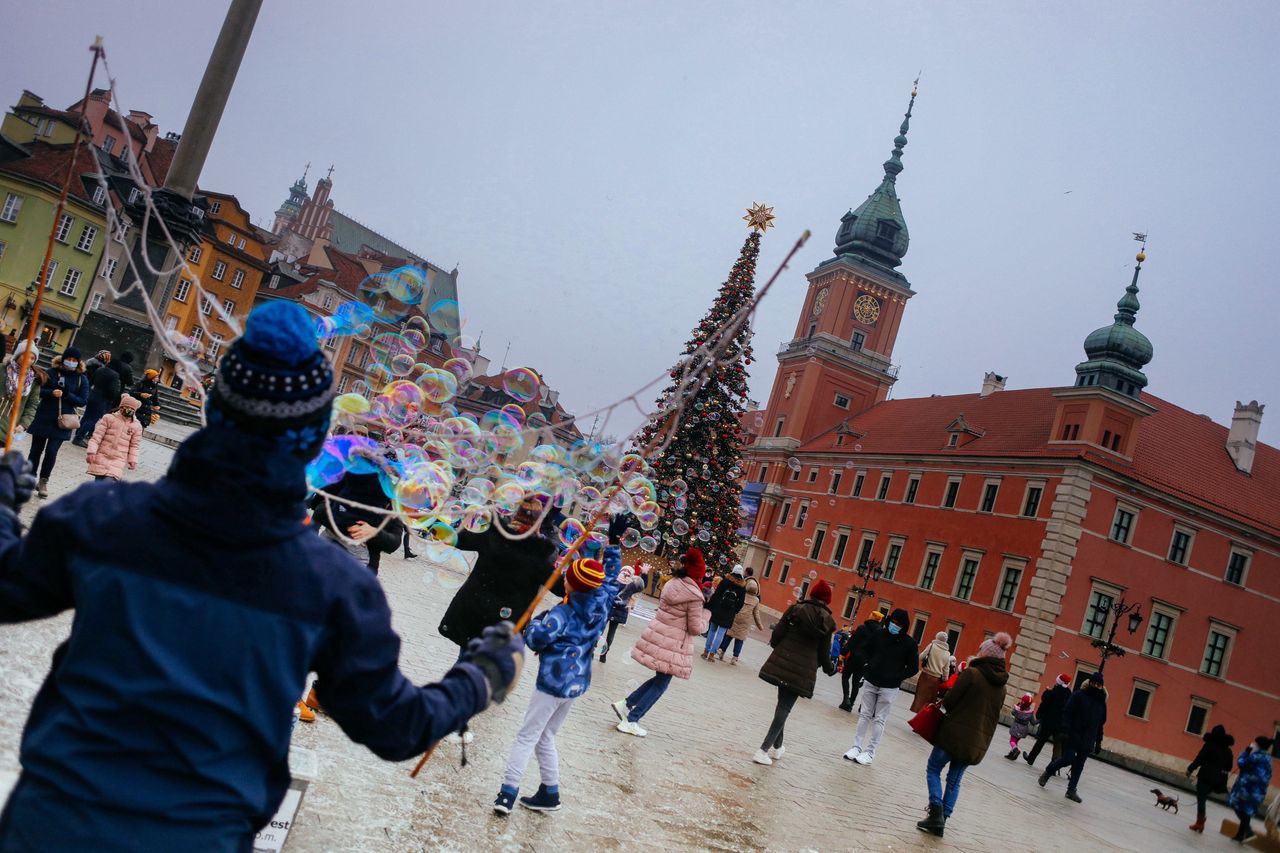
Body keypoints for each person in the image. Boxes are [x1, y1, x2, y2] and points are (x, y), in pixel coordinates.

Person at [0, 301, 524, 851]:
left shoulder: (101, 518)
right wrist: (479, 678)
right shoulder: (333, 587)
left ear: (216, 410)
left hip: (49, 825)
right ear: (313, 438)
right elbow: (396, 726)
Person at [494, 552, 621, 815]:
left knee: (527, 736)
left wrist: (535, 622)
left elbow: (537, 639)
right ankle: (550, 793)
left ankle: (507, 794)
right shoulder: (602, 604)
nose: (564, 580)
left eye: (568, 577)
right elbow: (609, 580)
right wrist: (612, 548)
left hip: (552, 683)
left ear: (573, 584)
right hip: (576, 684)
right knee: (546, 735)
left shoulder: (563, 613)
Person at [439, 495, 562, 655]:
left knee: (465, 664)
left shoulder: (493, 537)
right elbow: (561, 587)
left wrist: (431, 523)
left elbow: (457, 539)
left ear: (516, 515)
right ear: (538, 523)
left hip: (472, 616)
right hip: (503, 629)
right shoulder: (538, 558)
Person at [915, 633, 1011, 837]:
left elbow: (949, 702)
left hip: (952, 736)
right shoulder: (1002, 687)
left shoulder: (972, 674)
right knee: (954, 780)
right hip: (974, 743)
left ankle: (936, 813)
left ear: (984, 654)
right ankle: (943, 821)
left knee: (933, 768)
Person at [611, 547, 708, 736]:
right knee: (662, 683)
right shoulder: (695, 596)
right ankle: (631, 720)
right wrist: (706, 615)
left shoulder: (673, 583)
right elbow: (696, 628)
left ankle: (627, 704)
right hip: (673, 644)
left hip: (660, 637)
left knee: (660, 679)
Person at [753, 580, 836, 765]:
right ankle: (763, 750)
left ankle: (777, 748)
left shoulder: (795, 609)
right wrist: (830, 669)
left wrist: (779, 648)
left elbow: (777, 634)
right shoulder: (827, 621)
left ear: (811, 594)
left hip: (784, 660)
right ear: (827, 600)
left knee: (782, 706)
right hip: (803, 670)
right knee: (784, 708)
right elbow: (824, 653)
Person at [842, 608, 918, 765]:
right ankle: (856, 747)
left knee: (879, 719)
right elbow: (865, 650)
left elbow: (913, 668)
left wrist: (897, 676)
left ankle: (870, 752)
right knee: (864, 715)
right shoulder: (879, 634)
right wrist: (867, 665)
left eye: (899, 624)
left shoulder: (909, 644)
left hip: (889, 687)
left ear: (905, 626)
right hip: (871, 680)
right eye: (893, 622)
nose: (895, 626)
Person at [27, 347, 89, 498]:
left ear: (78, 363)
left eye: (75, 361)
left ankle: (44, 480)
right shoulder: (51, 372)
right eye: (69, 359)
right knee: (36, 450)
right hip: (44, 416)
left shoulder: (82, 378)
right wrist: (51, 393)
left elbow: (82, 401)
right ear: (63, 359)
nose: (71, 362)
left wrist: (67, 394)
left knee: (52, 451)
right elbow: (37, 391)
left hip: (64, 421)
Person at [1037, 672, 1108, 803]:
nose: (1096, 686)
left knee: (1079, 765)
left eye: (1099, 685)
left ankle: (1071, 790)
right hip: (1074, 734)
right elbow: (1067, 713)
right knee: (1067, 759)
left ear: (1101, 686)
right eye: (1094, 683)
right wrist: (1064, 729)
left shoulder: (1101, 703)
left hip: (1088, 738)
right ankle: (1048, 771)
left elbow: (1100, 724)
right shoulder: (1078, 696)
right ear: (1090, 683)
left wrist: (1098, 741)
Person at [1186, 724, 1234, 833]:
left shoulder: (1209, 745)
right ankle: (1200, 822)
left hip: (1205, 776)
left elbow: (1200, 758)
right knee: (1203, 798)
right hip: (1218, 780)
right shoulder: (1228, 751)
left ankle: (1200, 822)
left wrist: (1190, 769)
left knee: (1201, 799)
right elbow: (1229, 767)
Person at [1228, 735, 1275, 844]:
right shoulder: (1268, 759)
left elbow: (1241, 763)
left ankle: (1249, 831)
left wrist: (1245, 752)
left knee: (1236, 805)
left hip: (1247, 788)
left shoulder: (1255, 757)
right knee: (1247, 810)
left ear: (1259, 745)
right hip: (1258, 791)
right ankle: (1240, 835)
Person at [84, 394, 142, 482]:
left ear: (134, 410)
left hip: (118, 459)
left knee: (107, 483)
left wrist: (132, 460)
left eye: (131, 409)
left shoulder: (136, 426)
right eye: (125, 407)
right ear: (121, 407)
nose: (128, 410)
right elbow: (96, 437)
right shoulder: (109, 418)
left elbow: (134, 445)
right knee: (99, 484)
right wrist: (91, 452)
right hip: (102, 455)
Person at [599, 563, 647, 663]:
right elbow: (642, 586)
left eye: (626, 572)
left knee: (600, 630)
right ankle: (603, 654)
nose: (625, 573)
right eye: (624, 571)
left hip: (609, 608)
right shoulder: (631, 585)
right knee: (610, 633)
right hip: (619, 611)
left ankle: (594, 650)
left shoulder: (614, 581)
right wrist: (645, 574)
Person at [838, 610, 884, 712]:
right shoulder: (880, 633)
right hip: (865, 662)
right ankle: (851, 703)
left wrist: (843, 653)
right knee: (856, 682)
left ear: (871, 616)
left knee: (845, 676)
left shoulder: (863, 628)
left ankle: (846, 699)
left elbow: (852, 642)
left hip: (855, 657)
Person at [1022, 673, 1072, 766]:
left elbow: (1044, 703)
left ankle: (1031, 759)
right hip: (1061, 723)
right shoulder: (1069, 694)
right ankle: (1054, 765)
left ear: (1058, 681)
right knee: (1057, 745)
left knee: (1040, 741)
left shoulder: (1052, 692)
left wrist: (1039, 715)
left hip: (1048, 722)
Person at [73, 351, 120, 447]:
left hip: (92, 395)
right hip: (102, 399)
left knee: (86, 416)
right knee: (92, 419)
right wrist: (111, 399)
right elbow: (112, 390)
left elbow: (91, 381)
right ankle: (79, 438)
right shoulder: (114, 375)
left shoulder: (100, 370)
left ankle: (78, 434)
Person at [718, 567, 764, 664]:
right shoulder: (756, 600)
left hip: (736, 617)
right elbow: (756, 614)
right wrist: (760, 626)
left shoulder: (742, 594)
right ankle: (734, 658)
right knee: (740, 640)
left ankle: (721, 651)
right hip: (745, 622)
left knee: (729, 635)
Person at [701, 563, 747, 660]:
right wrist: (735, 610)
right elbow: (741, 602)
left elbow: (716, 594)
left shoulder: (725, 581)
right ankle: (712, 655)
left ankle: (706, 651)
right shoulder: (742, 586)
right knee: (721, 633)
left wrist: (713, 605)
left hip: (718, 608)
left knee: (712, 630)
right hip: (729, 612)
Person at [912, 631, 951, 712]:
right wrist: (945, 679)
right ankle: (924, 717)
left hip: (925, 676)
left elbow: (921, 657)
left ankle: (917, 716)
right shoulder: (948, 654)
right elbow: (946, 670)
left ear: (937, 637)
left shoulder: (932, 646)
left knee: (920, 698)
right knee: (929, 701)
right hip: (936, 680)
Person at [1006, 693, 1037, 760]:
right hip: (1023, 729)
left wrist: (1017, 705)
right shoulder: (1030, 712)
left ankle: (1015, 750)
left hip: (1016, 727)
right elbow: (1033, 722)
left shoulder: (1017, 709)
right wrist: (1040, 720)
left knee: (1012, 741)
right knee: (1016, 741)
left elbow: (1013, 713)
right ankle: (1012, 754)